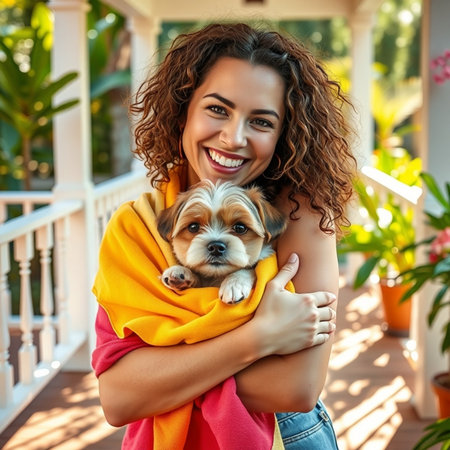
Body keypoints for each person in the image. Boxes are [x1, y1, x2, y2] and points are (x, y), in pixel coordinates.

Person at [92, 22, 356, 449]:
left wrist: (164, 378)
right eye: (218, 109)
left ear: (282, 134)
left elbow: (297, 389)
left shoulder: (299, 214)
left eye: (261, 121)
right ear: (183, 110)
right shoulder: (136, 226)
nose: (234, 138)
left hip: (285, 435)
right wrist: (260, 338)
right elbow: (119, 398)